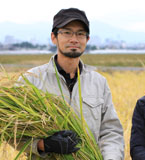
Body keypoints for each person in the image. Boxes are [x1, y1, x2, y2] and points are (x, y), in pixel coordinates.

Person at [17, 8, 124, 159]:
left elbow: (111, 131)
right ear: (54, 37)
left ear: (87, 39)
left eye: (80, 34)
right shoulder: (30, 80)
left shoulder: (99, 82)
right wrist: (44, 145)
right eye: (67, 32)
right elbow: (13, 133)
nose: (74, 39)